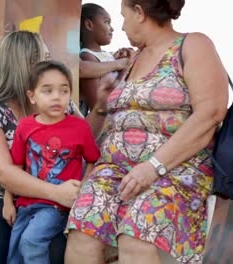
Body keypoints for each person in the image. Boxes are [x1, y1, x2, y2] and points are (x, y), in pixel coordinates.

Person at [65, 0, 229, 263]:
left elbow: (210, 113)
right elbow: (107, 120)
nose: (121, 25)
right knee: (82, 230)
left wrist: (153, 166)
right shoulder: (133, 58)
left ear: (140, 13)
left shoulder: (193, 44)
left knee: (137, 235)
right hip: (116, 171)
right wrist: (102, 106)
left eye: (124, 16)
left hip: (174, 169)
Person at [0, 30, 127, 264]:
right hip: (13, 203)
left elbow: (83, 135)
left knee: (55, 251)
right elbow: (0, 171)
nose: (51, 65)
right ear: (24, 64)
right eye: (44, 57)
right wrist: (55, 192)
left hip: (61, 203)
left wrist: (100, 105)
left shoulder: (57, 105)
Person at [4, 60, 100, 264]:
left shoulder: (79, 127)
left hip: (57, 206)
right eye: (47, 91)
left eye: (64, 91)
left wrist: (83, 188)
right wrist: (7, 201)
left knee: (31, 242)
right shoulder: (25, 126)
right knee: (14, 254)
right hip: (26, 203)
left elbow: (93, 160)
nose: (57, 97)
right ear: (32, 96)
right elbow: (15, 167)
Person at [79, 3, 120, 115]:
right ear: (89, 25)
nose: (112, 28)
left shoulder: (108, 55)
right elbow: (96, 106)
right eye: (106, 22)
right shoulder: (87, 57)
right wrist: (124, 67)